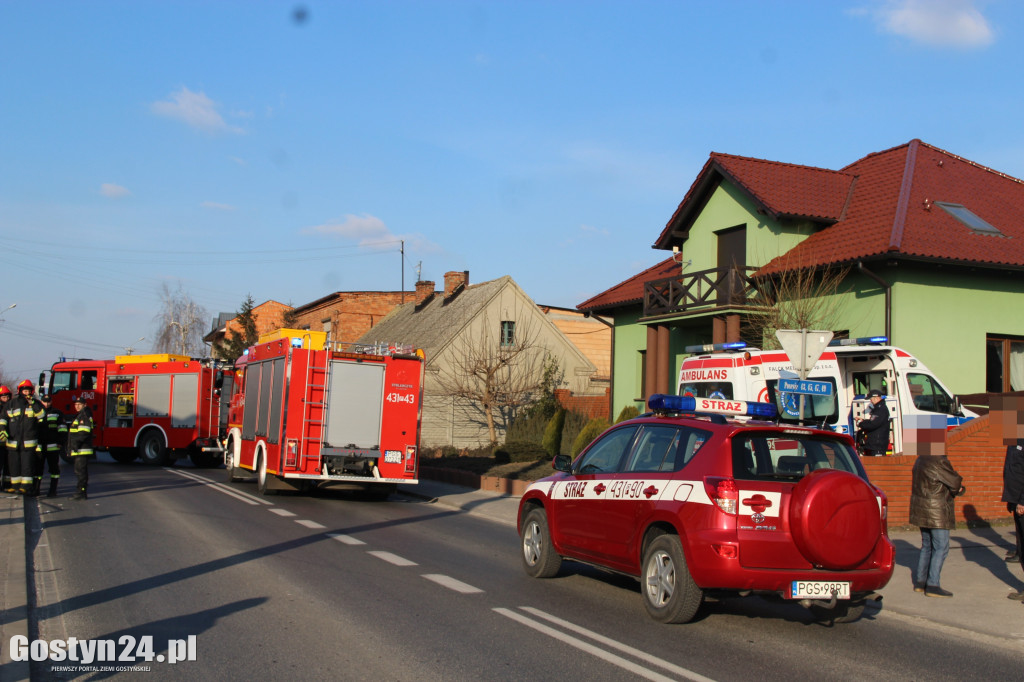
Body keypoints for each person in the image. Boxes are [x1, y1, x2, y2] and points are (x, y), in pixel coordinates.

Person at [909, 451, 965, 598]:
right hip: (937, 510)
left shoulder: (920, 459)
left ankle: (920, 582)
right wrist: (959, 488)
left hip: (921, 507)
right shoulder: (939, 461)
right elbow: (955, 482)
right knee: (941, 547)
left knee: (927, 546)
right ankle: (933, 584)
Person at [997, 395, 1024, 600]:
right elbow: (1011, 471)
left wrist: (1022, 500)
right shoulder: (1013, 440)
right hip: (1016, 500)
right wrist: (1011, 499)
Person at [0, 379, 45, 495]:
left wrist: (33, 404)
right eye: (25, 391)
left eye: (28, 391)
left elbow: (42, 416)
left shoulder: (36, 404)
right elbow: (3, 418)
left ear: (32, 392)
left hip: (28, 442)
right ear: (20, 391)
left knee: (27, 465)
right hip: (13, 441)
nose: (27, 393)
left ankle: (26, 487)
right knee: (14, 465)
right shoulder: (11, 403)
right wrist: (2, 430)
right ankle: (15, 486)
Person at [35, 393, 64, 498]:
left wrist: (61, 442)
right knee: (38, 469)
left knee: (54, 470)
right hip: (40, 446)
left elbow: (62, 428)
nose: (46, 404)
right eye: (44, 402)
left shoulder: (57, 413)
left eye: (48, 402)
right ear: (41, 401)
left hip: (53, 446)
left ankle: (53, 490)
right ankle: (36, 489)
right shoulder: (37, 413)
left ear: (51, 402)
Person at [67, 395, 94, 500]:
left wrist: (75, 444)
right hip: (80, 448)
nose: (77, 406)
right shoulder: (81, 415)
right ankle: (81, 492)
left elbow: (84, 432)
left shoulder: (84, 415)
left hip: (82, 449)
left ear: (85, 405)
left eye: (79, 404)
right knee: (79, 471)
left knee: (80, 472)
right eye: (76, 404)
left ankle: (81, 493)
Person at [857, 389, 891, 456]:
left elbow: (873, 424)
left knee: (878, 462)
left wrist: (860, 424)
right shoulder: (878, 409)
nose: (871, 401)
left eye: (871, 399)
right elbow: (873, 421)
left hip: (878, 446)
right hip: (875, 446)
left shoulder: (881, 410)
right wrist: (863, 421)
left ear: (876, 398)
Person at [0, 385, 11, 491]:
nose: (6, 399)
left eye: (7, 397)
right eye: (3, 397)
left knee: (9, 465)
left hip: (9, 442)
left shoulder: (11, 408)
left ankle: (7, 485)